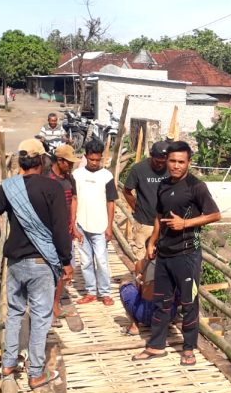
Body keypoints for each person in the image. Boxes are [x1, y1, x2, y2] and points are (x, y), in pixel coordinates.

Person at [0, 138, 72, 389]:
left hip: (16, 262)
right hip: (41, 264)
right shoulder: (53, 189)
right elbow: (61, 230)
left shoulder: (7, 188)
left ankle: (8, 363)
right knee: (40, 317)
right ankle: (36, 373)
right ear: (41, 160)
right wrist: (66, 261)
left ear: (21, 161)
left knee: (16, 312)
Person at [131, 141, 221, 366]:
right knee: (162, 301)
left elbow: (214, 214)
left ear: (189, 163)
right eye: (172, 161)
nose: (176, 166)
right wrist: (152, 242)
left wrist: (186, 223)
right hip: (164, 253)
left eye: (181, 162)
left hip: (188, 253)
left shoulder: (196, 187)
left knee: (189, 301)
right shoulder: (162, 185)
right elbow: (158, 217)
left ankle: (188, 348)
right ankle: (156, 345)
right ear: (167, 162)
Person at [71, 140, 117, 306]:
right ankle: (90, 291)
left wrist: (109, 226)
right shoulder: (77, 175)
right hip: (82, 224)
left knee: (102, 261)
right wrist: (73, 224)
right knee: (85, 261)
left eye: (98, 160)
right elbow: (74, 199)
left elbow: (111, 202)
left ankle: (105, 292)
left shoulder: (107, 176)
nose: (95, 163)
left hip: (101, 226)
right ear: (86, 156)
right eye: (92, 159)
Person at [46, 144, 80, 327]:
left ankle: (55, 304)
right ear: (59, 161)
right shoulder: (46, 179)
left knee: (65, 270)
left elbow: (74, 199)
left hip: (65, 231)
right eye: (68, 163)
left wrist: (72, 224)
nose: (71, 166)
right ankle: (47, 308)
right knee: (49, 270)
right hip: (49, 231)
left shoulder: (69, 178)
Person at [123, 140, 170, 261]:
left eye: (163, 162)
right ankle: (141, 280)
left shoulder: (171, 170)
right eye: (157, 162)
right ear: (151, 155)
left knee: (163, 257)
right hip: (144, 223)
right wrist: (137, 208)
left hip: (165, 223)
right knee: (140, 257)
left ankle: (156, 280)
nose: (160, 165)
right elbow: (127, 191)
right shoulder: (139, 169)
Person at [120, 238, 176, 336]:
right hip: (168, 314)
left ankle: (134, 325)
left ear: (148, 248)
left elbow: (139, 290)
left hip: (144, 315)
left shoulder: (140, 264)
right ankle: (165, 324)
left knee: (124, 285)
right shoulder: (172, 264)